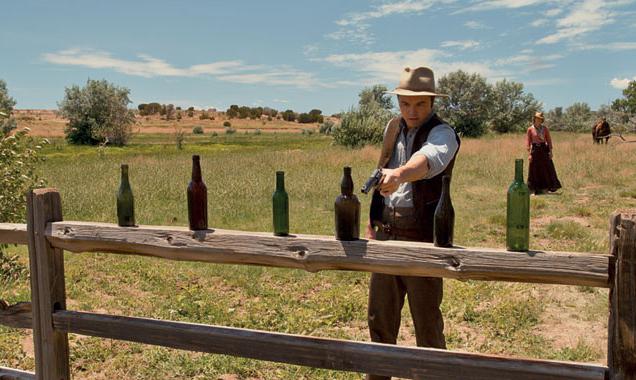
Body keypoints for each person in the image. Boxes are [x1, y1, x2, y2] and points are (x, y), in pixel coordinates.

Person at [365, 66, 460, 380]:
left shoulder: (443, 133)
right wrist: (373, 220)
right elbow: (384, 167)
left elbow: (429, 160)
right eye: (405, 103)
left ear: (432, 102)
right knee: (380, 323)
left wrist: (400, 173)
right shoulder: (392, 128)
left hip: (421, 239)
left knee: (427, 329)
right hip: (386, 236)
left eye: (420, 104)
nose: (412, 111)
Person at [526, 112, 561, 195]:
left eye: (540, 119)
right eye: (537, 118)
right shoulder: (530, 129)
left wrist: (551, 151)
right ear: (534, 119)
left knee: (546, 168)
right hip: (535, 150)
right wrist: (529, 154)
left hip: (544, 150)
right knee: (534, 169)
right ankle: (533, 190)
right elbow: (528, 142)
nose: (538, 120)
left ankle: (545, 188)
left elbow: (548, 140)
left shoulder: (545, 129)